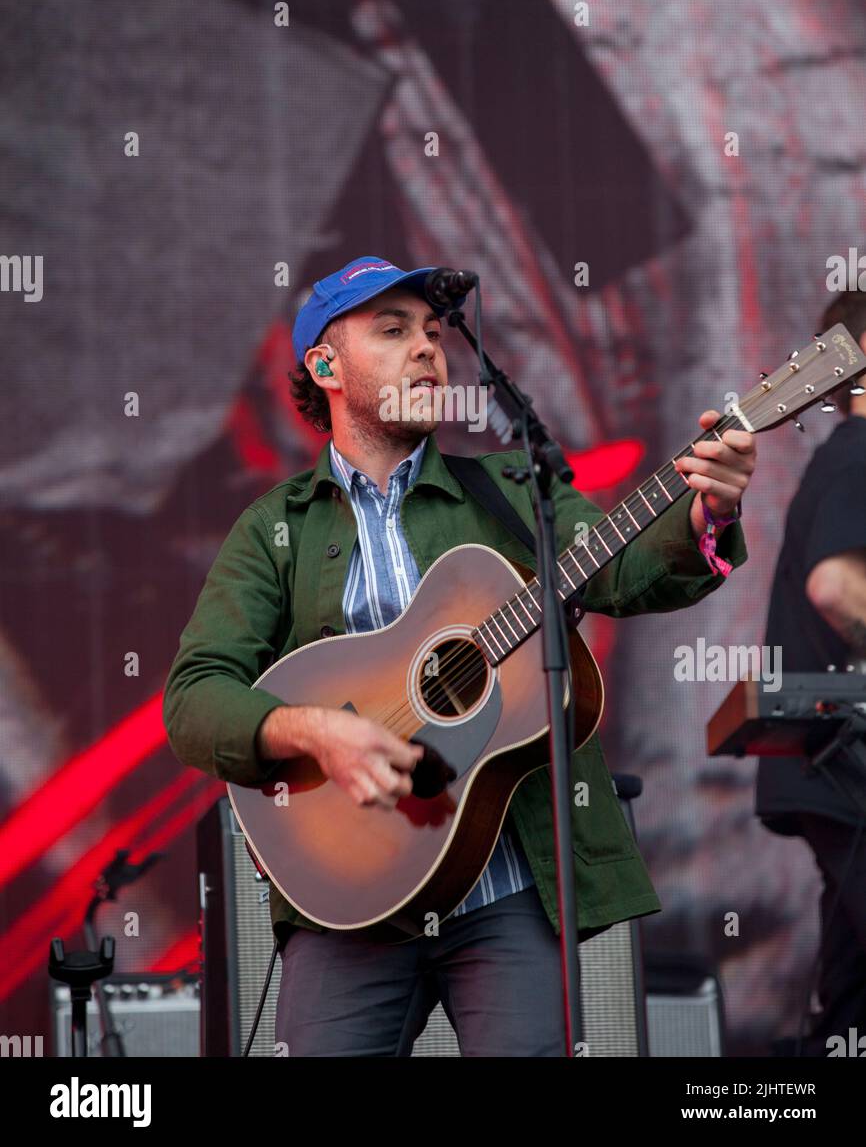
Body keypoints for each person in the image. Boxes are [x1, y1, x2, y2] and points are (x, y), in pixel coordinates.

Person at [164, 254, 755, 1056]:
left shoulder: (511, 489)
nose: (428, 349)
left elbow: (620, 568)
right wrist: (316, 732)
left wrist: (706, 513)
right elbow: (195, 698)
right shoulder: (279, 530)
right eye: (393, 330)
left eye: (434, 332)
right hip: (346, 899)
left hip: (505, 886)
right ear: (324, 366)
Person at [756, 291, 866, 1057]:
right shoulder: (860, 451)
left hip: (833, 762)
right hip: (845, 760)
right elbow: (835, 586)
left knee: (853, 994)